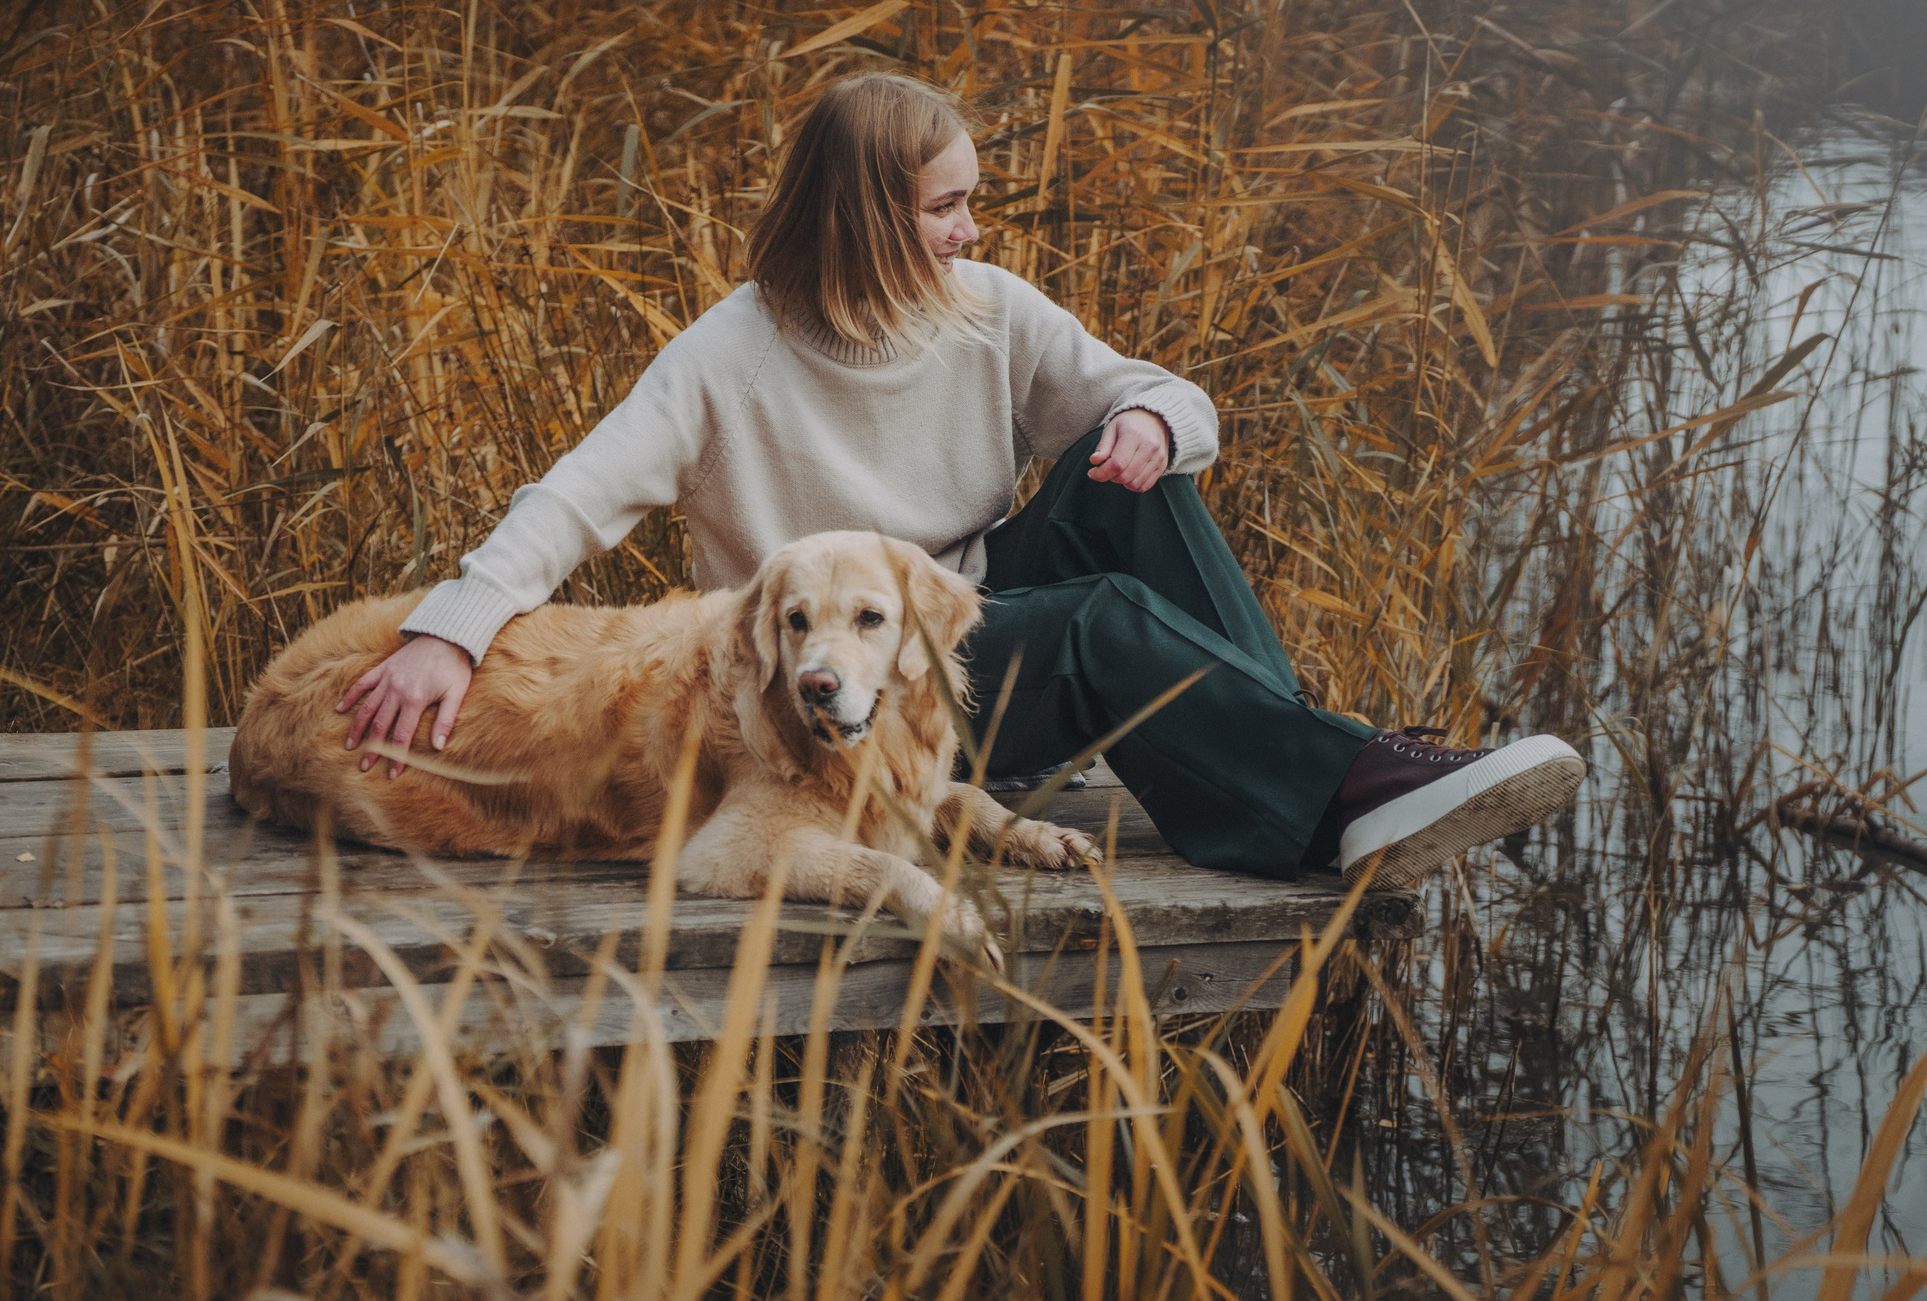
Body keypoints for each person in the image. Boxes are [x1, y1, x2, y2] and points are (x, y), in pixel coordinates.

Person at [334, 72, 1582, 889]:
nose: (971, 232)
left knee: (1141, 489)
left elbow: (1177, 396)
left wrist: (1150, 418)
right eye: (945, 208)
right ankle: (1338, 780)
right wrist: (451, 629)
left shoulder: (984, 311)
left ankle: (1324, 766)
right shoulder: (729, 356)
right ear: (873, 217)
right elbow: (571, 497)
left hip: (967, 619)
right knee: (1098, 622)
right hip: (855, 695)